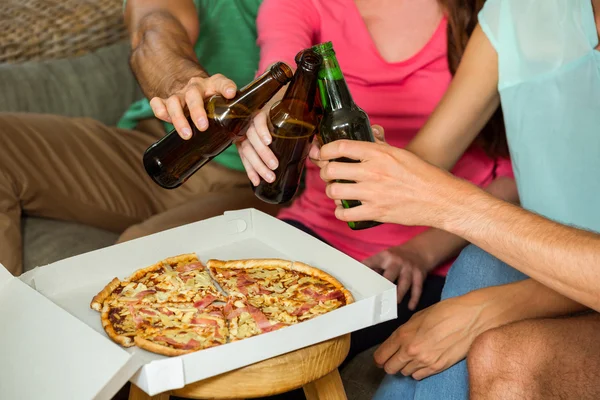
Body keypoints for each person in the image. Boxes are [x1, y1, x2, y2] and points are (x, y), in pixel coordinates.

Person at [314, 0, 600, 398]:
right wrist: (375, 161)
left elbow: (444, 197)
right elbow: (428, 157)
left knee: (497, 339)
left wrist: (495, 307)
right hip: (536, 266)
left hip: (573, 280)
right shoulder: (515, 14)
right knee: (481, 267)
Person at [237, 0, 518, 362]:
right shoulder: (299, 6)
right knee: (239, 332)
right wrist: (266, 117)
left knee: (304, 356)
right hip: (319, 231)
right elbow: (281, 73)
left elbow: (516, 179)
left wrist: (421, 251)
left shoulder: (490, 17)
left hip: (436, 247)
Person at [0, 0, 281, 276]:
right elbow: (153, 24)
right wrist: (180, 82)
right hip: (160, 142)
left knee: (137, 262)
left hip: (258, 176)